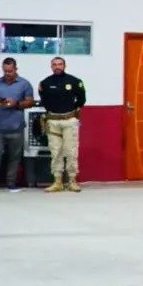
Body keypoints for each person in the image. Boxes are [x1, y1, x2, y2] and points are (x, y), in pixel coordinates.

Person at [0, 57, 33, 192]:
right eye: (5, 71)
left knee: (14, 157)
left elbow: (30, 102)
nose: (7, 73)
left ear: (16, 69)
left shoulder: (24, 84)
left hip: (16, 127)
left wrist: (17, 103)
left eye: (10, 71)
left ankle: (11, 183)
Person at [38, 56, 86, 192]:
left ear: (65, 66)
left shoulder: (75, 81)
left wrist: (71, 110)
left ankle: (72, 180)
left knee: (71, 151)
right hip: (53, 121)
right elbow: (44, 101)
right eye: (54, 64)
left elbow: (82, 99)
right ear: (51, 66)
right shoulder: (45, 83)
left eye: (60, 64)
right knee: (55, 151)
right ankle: (57, 181)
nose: (57, 66)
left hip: (69, 120)